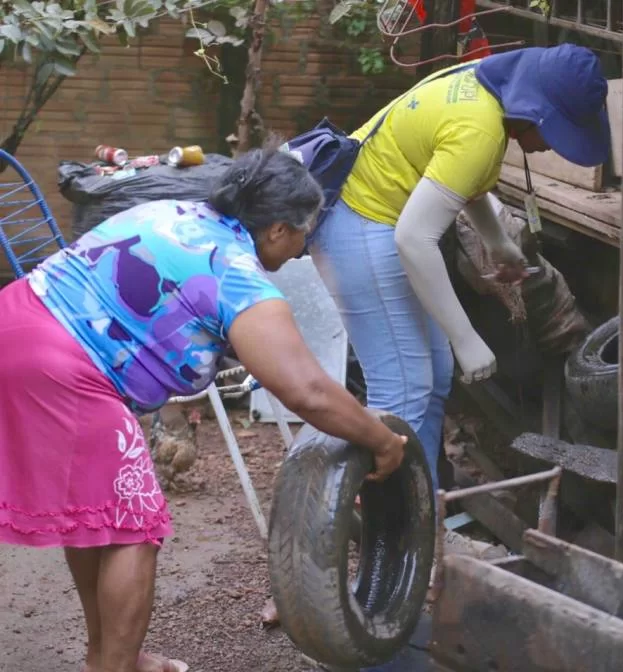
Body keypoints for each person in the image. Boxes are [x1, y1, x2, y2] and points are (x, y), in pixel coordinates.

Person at [0, 142, 409, 672]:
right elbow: (306, 390)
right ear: (277, 229)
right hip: (64, 368)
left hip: (16, 323)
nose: (303, 248)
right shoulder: (235, 273)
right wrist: (381, 439)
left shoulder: (174, 212)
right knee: (134, 525)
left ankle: (110, 655)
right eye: (303, 232)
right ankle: (113, 666)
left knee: (98, 512)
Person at [302, 42, 611, 671]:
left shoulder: (485, 88)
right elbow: (415, 238)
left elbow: (463, 187)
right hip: (363, 225)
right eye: (555, 132)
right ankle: (377, 600)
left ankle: (411, 558)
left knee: (430, 380)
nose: (551, 148)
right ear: (535, 111)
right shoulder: (481, 127)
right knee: (403, 399)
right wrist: (467, 336)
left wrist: (500, 245)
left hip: (368, 219)